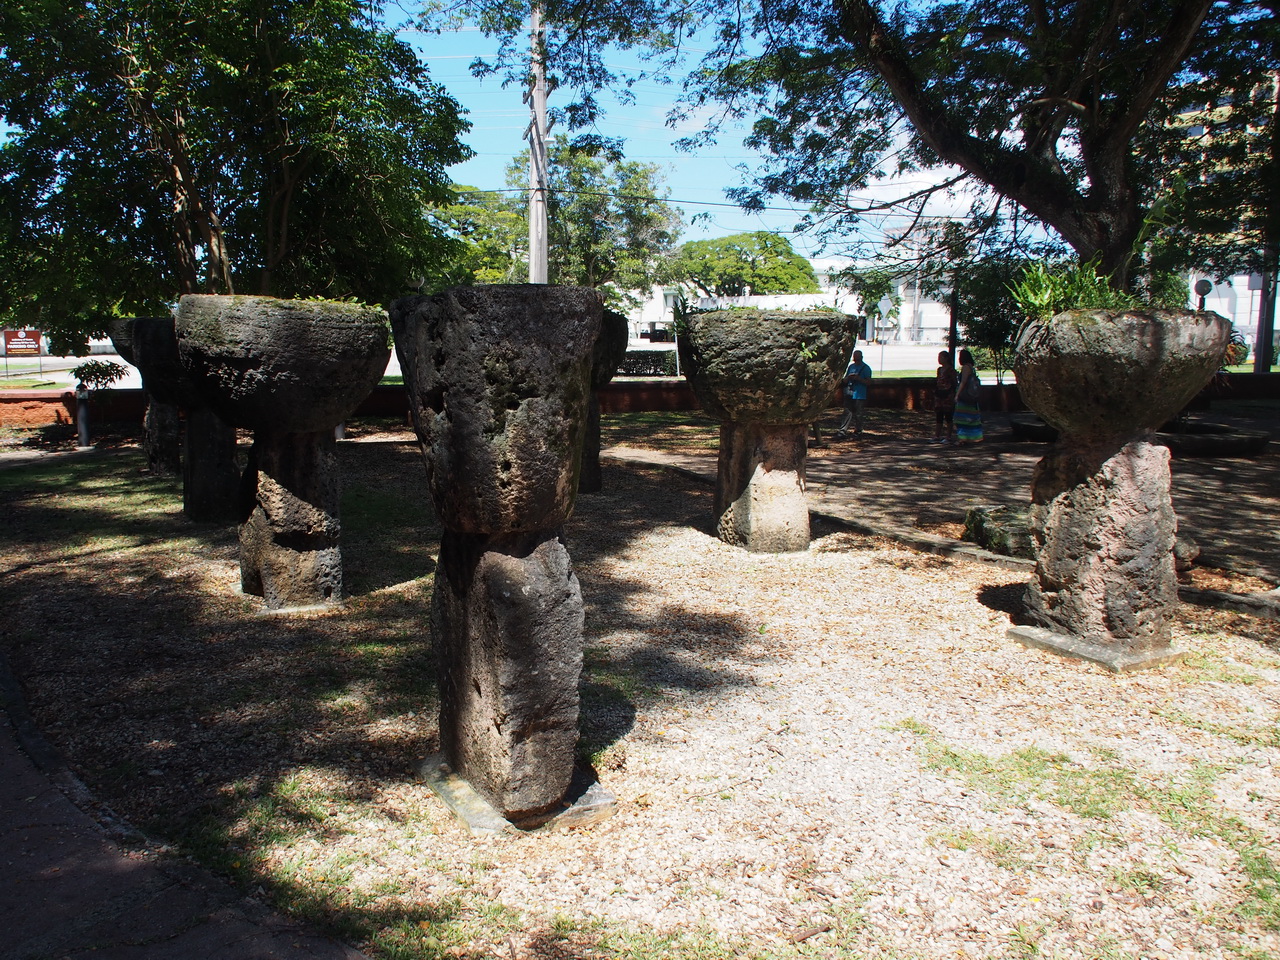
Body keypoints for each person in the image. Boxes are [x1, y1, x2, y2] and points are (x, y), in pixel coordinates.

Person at [835, 349, 873, 438]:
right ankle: (843, 430)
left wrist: (858, 379)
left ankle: (858, 430)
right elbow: (845, 379)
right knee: (847, 412)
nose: (856, 361)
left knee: (858, 413)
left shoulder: (866, 368)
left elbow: (868, 382)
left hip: (860, 394)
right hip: (849, 392)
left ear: (862, 358)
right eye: (855, 359)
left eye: (858, 359)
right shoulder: (851, 367)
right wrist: (848, 378)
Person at [954, 348, 984, 444]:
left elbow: (963, 382)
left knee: (962, 418)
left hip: (965, 396)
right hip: (971, 396)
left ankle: (962, 438)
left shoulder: (966, 368)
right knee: (972, 417)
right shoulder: (971, 367)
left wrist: (957, 395)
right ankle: (974, 437)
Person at [933, 350, 957, 443]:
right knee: (939, 415)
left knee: (948, 416)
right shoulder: (939, 370)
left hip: (948, 395)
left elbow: (954, 382)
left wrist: (951, 392)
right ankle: (937, 435)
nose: (939, 359)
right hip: (939, 395)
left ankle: (948, 436)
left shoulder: (951, 370)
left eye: (941, 357)